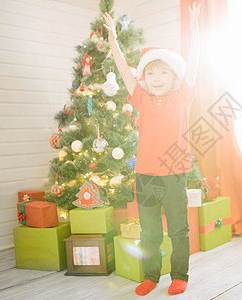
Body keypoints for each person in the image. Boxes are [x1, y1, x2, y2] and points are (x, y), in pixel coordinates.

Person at [103, 2, 200, 296]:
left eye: (164, 74)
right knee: (149, 232)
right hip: (144, 175)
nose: (157, 79)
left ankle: (179, 275)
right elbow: (124, 71)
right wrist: (114, 42)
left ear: (175, 78)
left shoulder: (183, 96)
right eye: (152, 74)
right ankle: (151, 275)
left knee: (178, 230)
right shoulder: (142, 98)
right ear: (145, 78)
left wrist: (194, 29)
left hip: (174, 175)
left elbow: (193, 60)